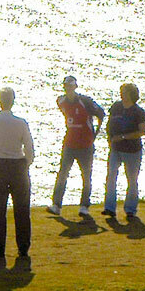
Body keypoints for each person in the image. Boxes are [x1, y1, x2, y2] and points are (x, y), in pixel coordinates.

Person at [0, 87, 35, 258]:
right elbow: (29, 146)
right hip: (17, 165)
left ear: (0, 101)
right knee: (21, 209)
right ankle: (23, 247)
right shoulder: (20, 122)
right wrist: (27, 163)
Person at [48, 74, 105, 218]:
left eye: (71, 86)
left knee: (86, 175)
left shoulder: (85, 101)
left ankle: (84, 205)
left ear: (75, 87)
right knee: (63, 174)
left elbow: (101, 114)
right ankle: (56, 205)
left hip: (85, 145)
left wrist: (94, 134)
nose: (69, 89)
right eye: (67, 86)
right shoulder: (61, 101)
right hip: (69, 143)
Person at [103, 82, 145, 221]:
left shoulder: (138, 112)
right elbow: (109, 123)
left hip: (132, 150)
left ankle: (130, 209)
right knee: (111, 177)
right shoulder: (116, 107)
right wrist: (109, 138)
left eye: (125, 92)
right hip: (116, 149)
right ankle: (110, 207)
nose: (122, 94)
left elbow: (141, 131)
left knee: (132, 180)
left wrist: (123, 137)